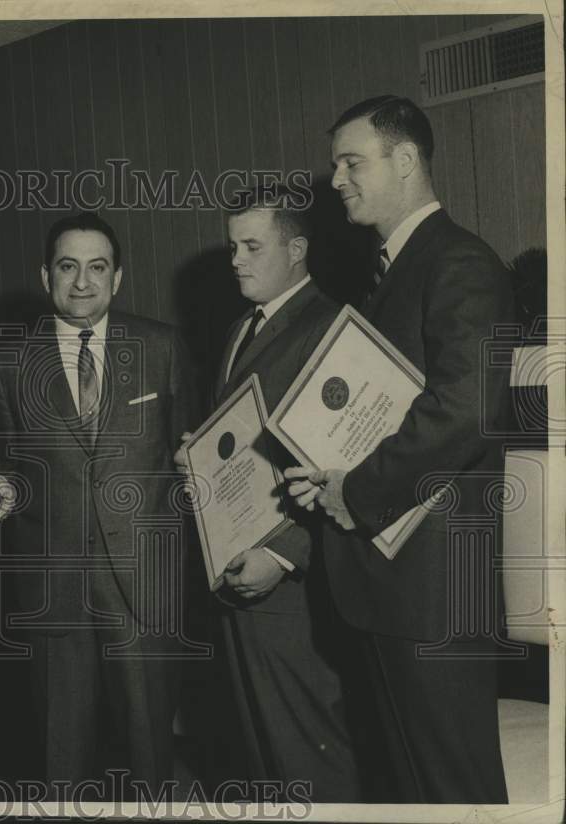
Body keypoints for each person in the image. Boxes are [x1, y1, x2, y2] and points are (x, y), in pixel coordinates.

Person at [286, 95, 512, 803]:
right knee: (415, 792)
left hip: (437, 588)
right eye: (334, 166)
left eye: (352, 162)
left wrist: (356, 489)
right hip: (392, 586)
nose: (338, 179)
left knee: (455, 790)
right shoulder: (391, 273)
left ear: (406, 159)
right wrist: (328, 473)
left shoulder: (461, 262)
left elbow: (468, 408)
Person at [0, 212, 198, 794]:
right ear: (45, 275)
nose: (83, 282)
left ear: (119, 277)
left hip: (142, 583)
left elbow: (192, 462)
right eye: (68, 266)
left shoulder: (162, 346)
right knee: (60, 754)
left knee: (150, 750)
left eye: (97, 267)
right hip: (51, 589)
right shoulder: (8, 360)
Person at [175, 189, 364, 801]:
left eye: (252, 246)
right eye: (232, 246)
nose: (235, 259)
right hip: (236, 575)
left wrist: (283, 554)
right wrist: (198, 456)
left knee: (311, 763)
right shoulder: (237, 330)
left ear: (297, 249)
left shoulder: (330, 325)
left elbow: (349, 466)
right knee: (261, 762)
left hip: (293, 591)